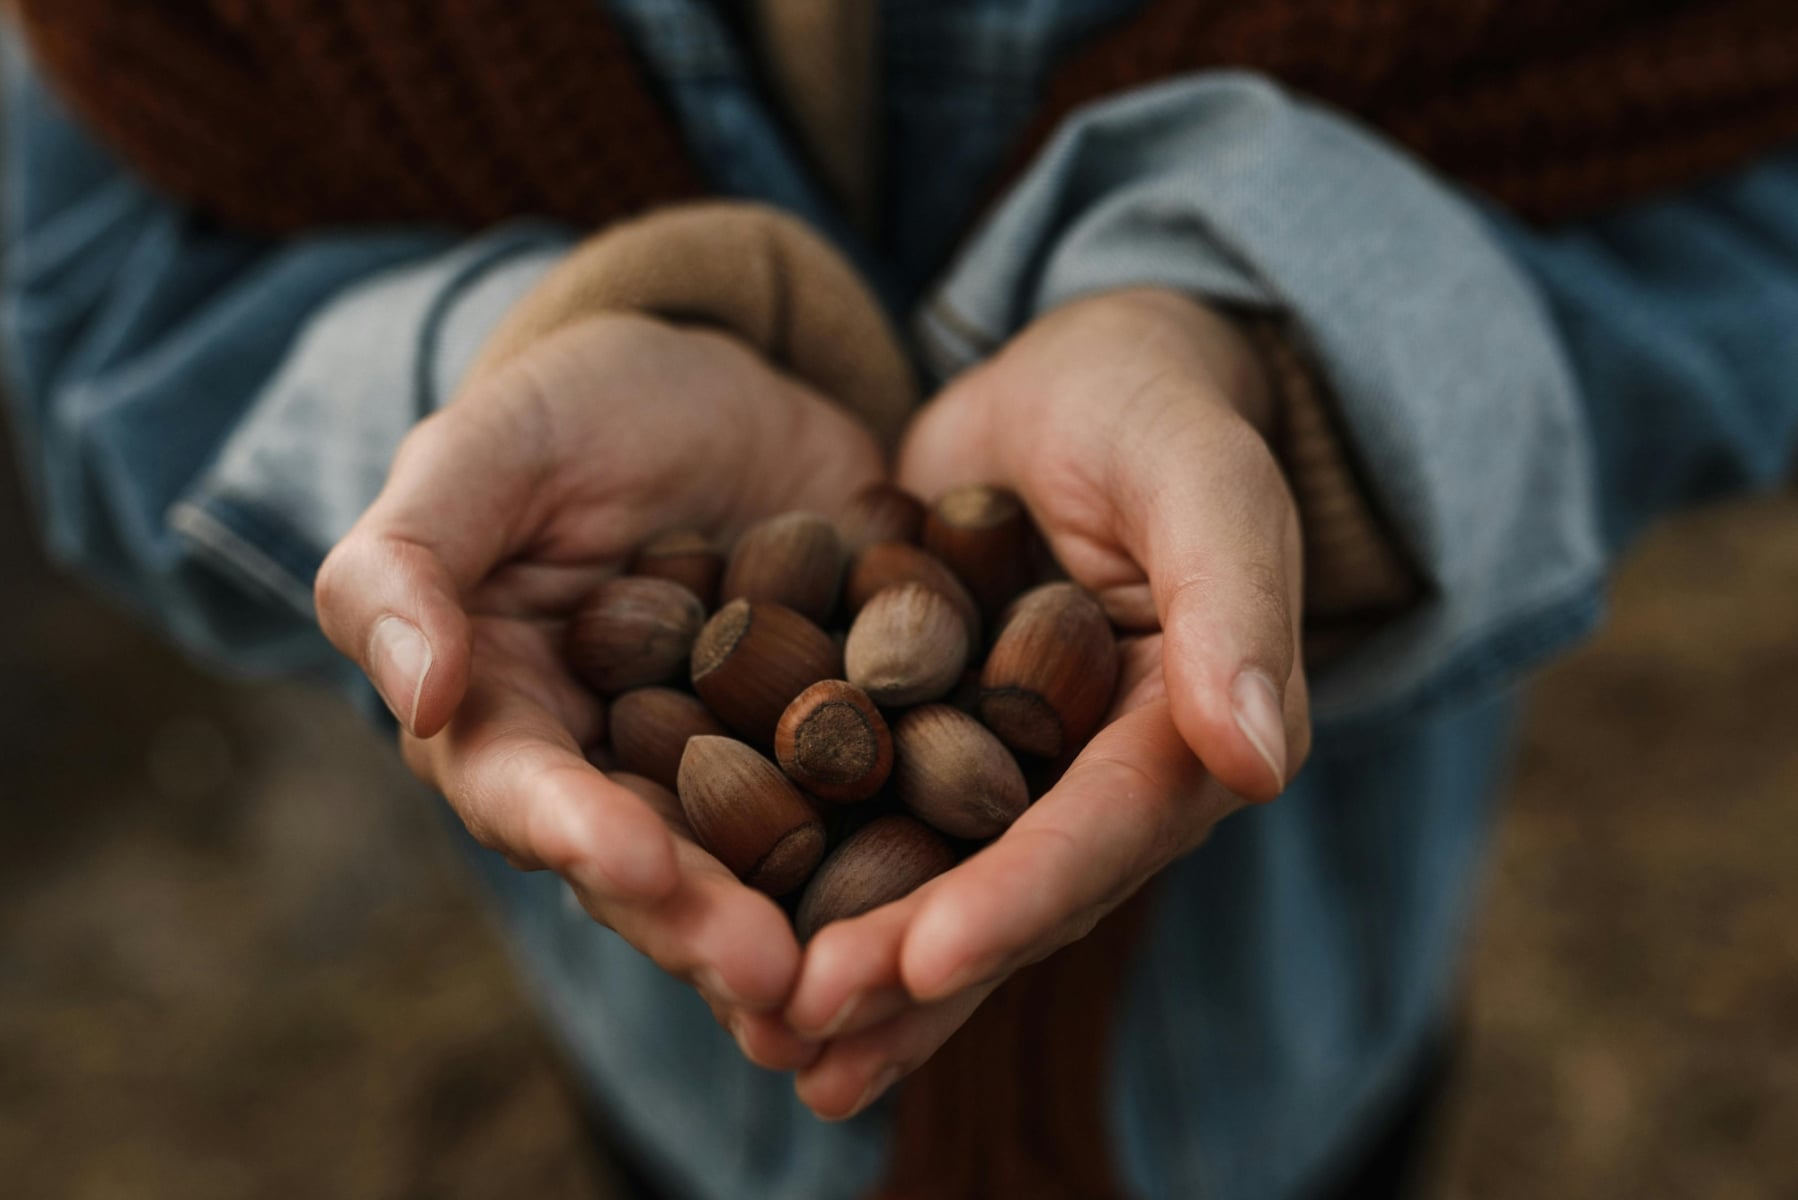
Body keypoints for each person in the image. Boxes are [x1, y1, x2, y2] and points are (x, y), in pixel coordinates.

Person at [5, 3, 1797, 1198]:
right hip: (695, 1085)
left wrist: (1293, 390)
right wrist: (479, 399)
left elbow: (1749, 208)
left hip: (1290, 1054)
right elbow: (88, 294)